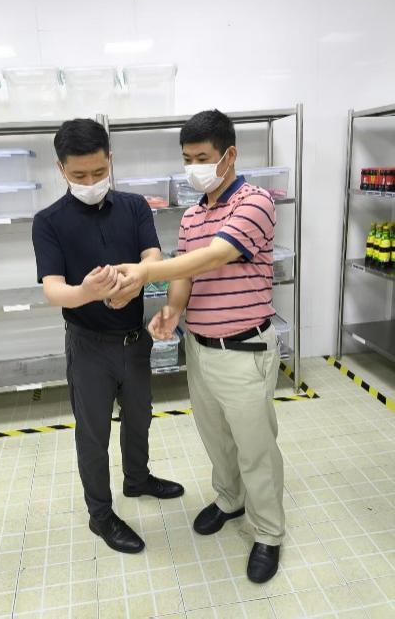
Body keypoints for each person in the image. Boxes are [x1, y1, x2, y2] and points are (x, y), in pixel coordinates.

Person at [112, 109, 284, 582]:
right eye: (187, 159)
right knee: (216, 437)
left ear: (230, 155)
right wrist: (172, 309)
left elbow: (216, 256)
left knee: (255, 447)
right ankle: (229, 500)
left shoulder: (255, 202)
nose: (194, 168)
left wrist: (145, 271)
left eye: (203, 158)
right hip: (201, 348)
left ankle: (269, 532)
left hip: (244, 350)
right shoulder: (191, 214)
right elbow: (187, 272)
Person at [32, 119, 184, 555]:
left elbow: (152, 256)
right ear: (61, 169)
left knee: (140, 417)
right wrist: (86, 292)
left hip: (134, 340)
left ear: (110, 161)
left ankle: (137, 478)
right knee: (93, 433)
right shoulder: (49, 222)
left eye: (98, 172)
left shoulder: (135, 207)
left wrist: (136, 284)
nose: (90, 182)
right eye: (79, 175)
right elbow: (52, 289)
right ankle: (100, 514)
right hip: (89, 346)